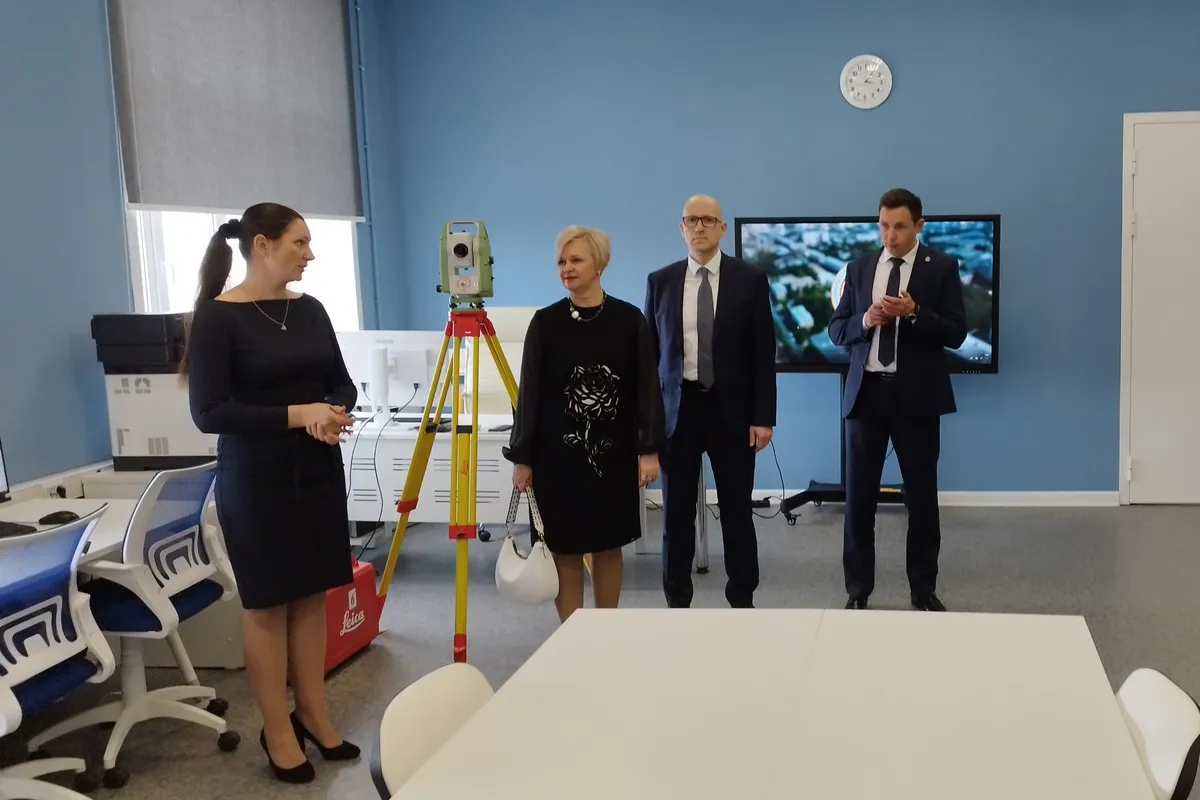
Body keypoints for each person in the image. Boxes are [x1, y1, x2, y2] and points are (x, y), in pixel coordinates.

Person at [183, 202, 361, 784]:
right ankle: (278, 730)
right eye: (299, 243)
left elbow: (341, 381)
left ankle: (313, 713)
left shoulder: (310, 309)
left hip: (316, 470)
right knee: (267, 604)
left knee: (311, 596)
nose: (310, 254)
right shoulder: (217, 318)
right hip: (256, 480)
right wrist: (299, 414)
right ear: (262, 245)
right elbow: (210, 412)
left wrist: (332, 412)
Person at [504, 225, 666, 622]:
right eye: (562, 261)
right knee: (564, 547)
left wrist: (648, 450)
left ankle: (604, 632)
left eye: (576, 260)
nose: (567, 268)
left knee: (608, 545)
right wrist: (522, 457)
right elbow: (529, 395)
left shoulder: (629, 320)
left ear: (599, 265)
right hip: (555, 460)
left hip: (613, 456)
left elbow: (647, 389)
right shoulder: (545, 323)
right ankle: (571, 635)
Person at [827, 188, 967, 612]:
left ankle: (923, 590)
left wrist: (914, 313)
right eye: (884, 226)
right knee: (858, 501)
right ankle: (858, 591)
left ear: (919, 225)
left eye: (900, 227)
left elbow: (957, 333)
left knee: (921, 500)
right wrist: (865, 320)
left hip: (917, 400)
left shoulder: (941, 267)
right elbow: (836, 330)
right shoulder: (858, 268)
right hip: (865, 396)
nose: (890, 235)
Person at [644, 195, 776, 609]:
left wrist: (763, 417)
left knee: (737, 512)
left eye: (707, 220)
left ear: (722, 228)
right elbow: (650, 358)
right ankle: (677, 601)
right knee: (676, 516)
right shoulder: (660, 282)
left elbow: (762, 353)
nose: (699, 227)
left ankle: (742, 599)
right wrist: (648, 426)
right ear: (681, 228)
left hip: (732, 413)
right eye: (691, 220)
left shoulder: (749, 279)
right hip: (677, 413)